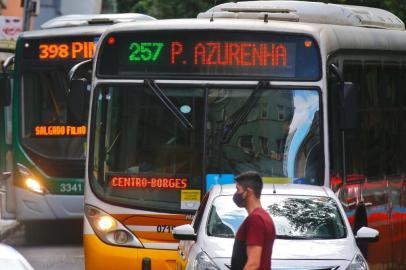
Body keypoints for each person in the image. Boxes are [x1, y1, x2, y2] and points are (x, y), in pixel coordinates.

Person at [230, 171, 276, 270]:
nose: (236, 194)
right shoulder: (264, 217)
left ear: (249, 192)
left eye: (238, 189)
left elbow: (253, 264)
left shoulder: (256, 219)